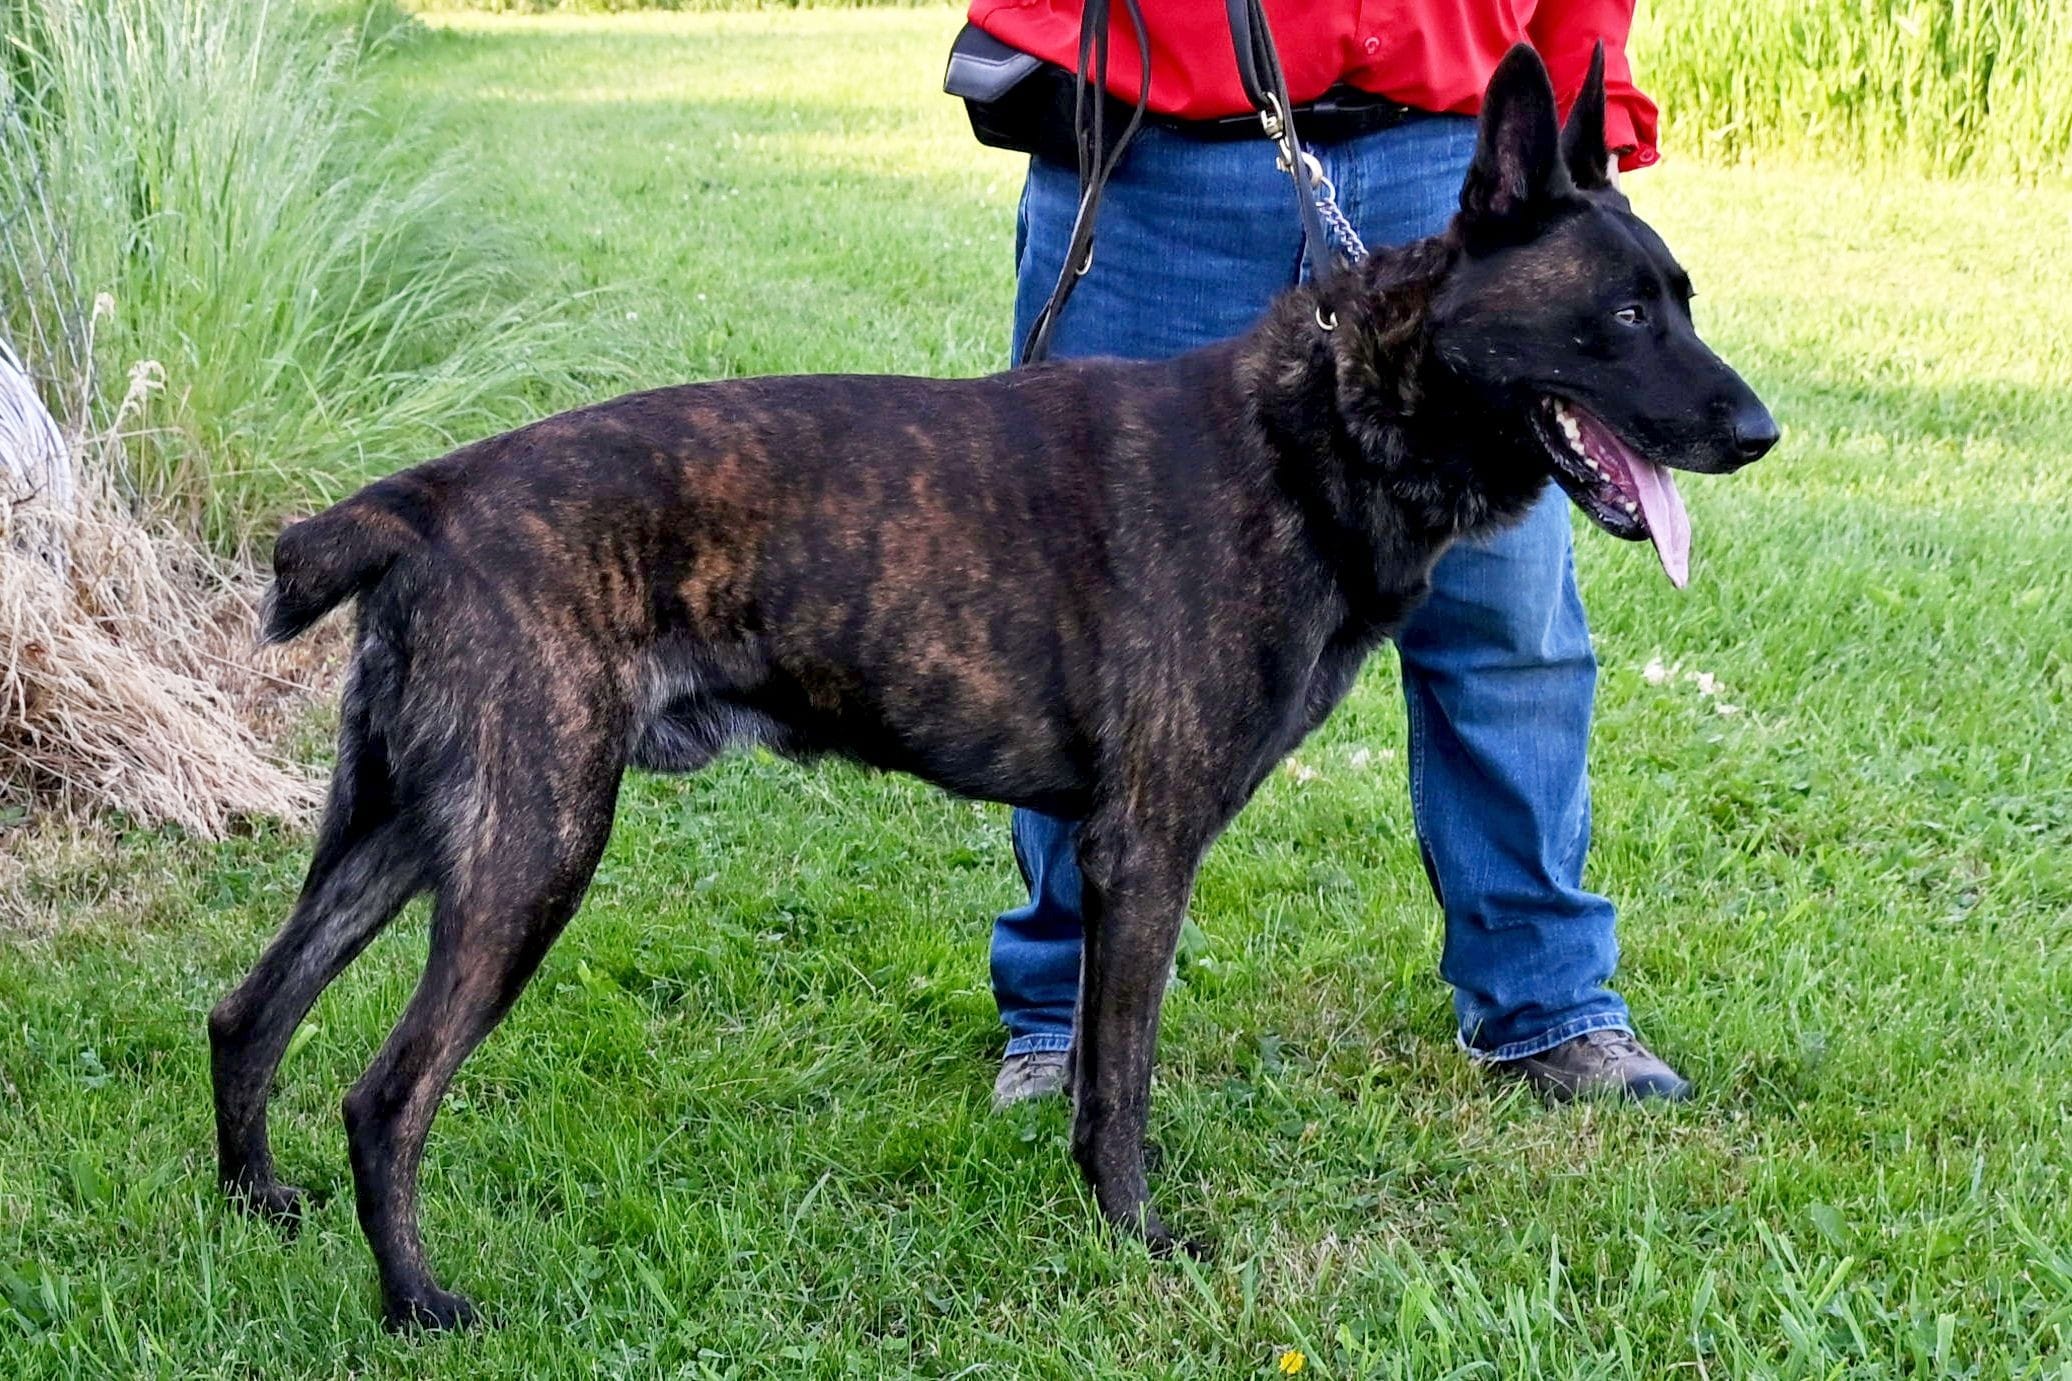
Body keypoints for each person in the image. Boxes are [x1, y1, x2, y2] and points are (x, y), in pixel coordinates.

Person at [964, 0, 1693, 1107]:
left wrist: (1582, 130)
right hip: (1158, 148)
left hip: (1449, 138)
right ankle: (1063, 1012)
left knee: (1504, 618)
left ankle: (1546, 1004)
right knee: (1089, 610)